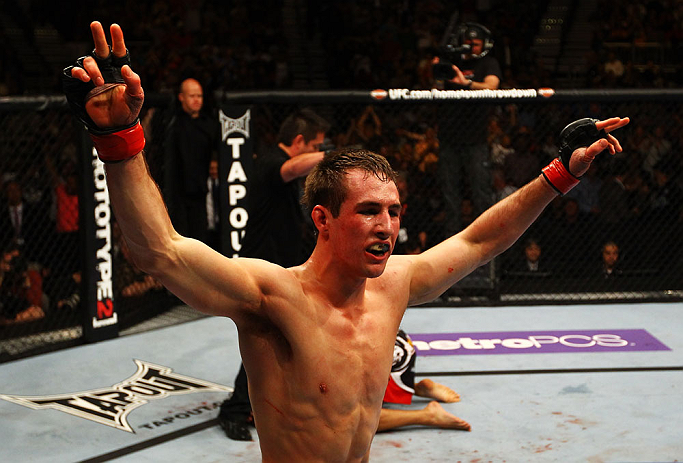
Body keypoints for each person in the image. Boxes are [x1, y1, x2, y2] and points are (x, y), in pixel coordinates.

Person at [63, 22, 627, 462]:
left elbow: (482, 240)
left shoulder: (396, 286)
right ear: (323, 220)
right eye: (368, 212)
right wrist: (118, 139)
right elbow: (157, 249)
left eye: (393, 212)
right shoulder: (272, 297)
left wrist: (561, 174)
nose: (387, 226)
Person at [218, 107, 331, 441]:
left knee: (284, 334)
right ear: (299, 142)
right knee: (264, 334)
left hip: (278, 270)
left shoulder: (279, 171)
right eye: (315, 147)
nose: (317, 154)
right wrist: (335, 157)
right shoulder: (269, 163)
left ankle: (271, 400)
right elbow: (294, 167)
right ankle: (237, 408)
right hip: (261, 273)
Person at [433, 22, 502, 234]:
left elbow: (492, 86)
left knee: (481, 193)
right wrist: (436, 68)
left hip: (476, 139)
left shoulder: (488, 63)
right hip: (449, 138)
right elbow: (435, 87)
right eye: (468, 43)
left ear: (484, 45)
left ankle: (485, 246)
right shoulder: (452, 62)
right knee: (450, 196)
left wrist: (467, 84)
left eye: (476, 43)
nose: (471, 47)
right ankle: (450, 250)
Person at [378, 329, 470, 432]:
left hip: (384, 351)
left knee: (359, 419)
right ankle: (414, 388)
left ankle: (427, 415)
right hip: (399, 341)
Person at [165, 77, 219, 244]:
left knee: (203, 236)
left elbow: (218, 150)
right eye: (192, 96)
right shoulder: (172, 125)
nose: (197, 100)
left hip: (203, 190)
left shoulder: (210, 125)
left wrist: (215, 161)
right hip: (177, 193)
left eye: (199, 96)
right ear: (182, 97)